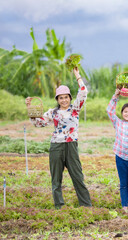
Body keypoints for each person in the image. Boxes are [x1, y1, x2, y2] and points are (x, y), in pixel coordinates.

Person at [25, 67, 92, 209]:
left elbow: (84, 92)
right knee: (56, 179)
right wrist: (30, 109)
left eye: (66, 97)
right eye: (60, 98)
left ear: (70, 98)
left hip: (71, 145)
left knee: (77, 177)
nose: (63, 100)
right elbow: (39, 123)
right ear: (57, 99)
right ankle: (59, 206)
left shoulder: (75, 109)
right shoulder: (52, 112)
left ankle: (86, 206)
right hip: (56, 146)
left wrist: (77, 75)